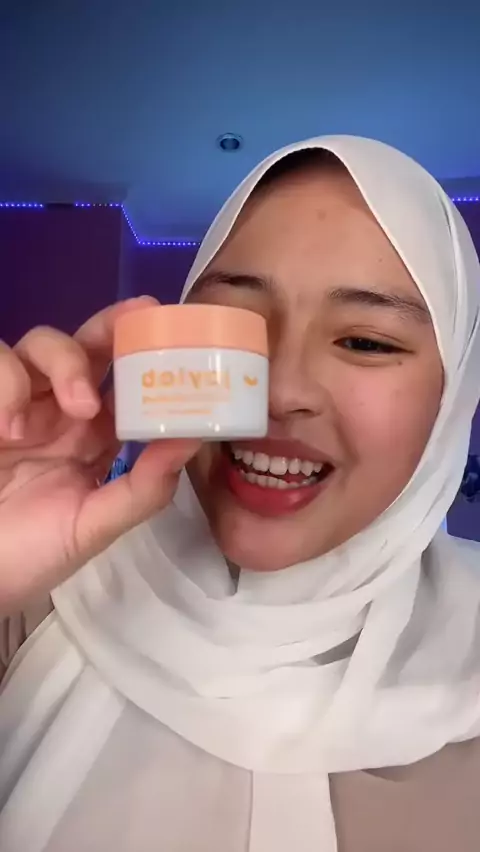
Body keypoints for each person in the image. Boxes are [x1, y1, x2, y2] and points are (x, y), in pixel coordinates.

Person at [0, 135, 479, 852]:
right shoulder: (41, 601)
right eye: (233, 329)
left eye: (366, 342)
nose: (277, 392)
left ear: (454, 396)